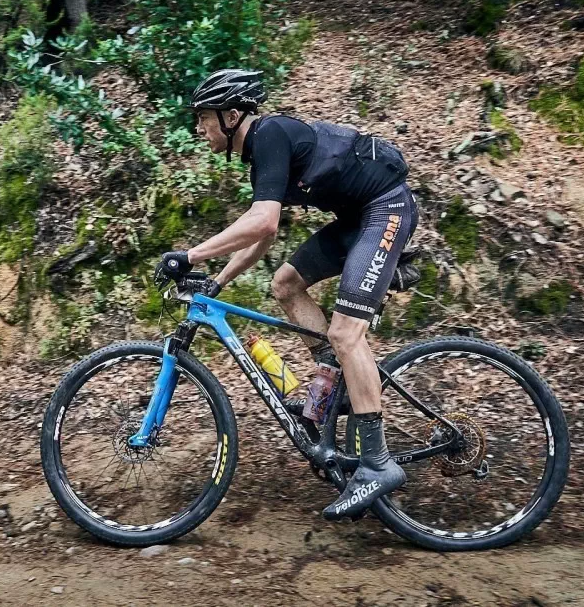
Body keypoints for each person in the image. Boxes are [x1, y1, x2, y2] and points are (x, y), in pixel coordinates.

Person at [154, 68, 419, 521]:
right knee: (285, 284)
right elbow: (261, 236)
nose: (199, 128)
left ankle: (378, 464)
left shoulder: (269, 133)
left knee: (346, 333)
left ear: (232, 115)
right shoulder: (263, 154)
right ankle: (334, 383)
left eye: (204, 118)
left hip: (384, 210)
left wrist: (190, 256)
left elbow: (263, 223)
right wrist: (217, 282)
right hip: (358, 220)